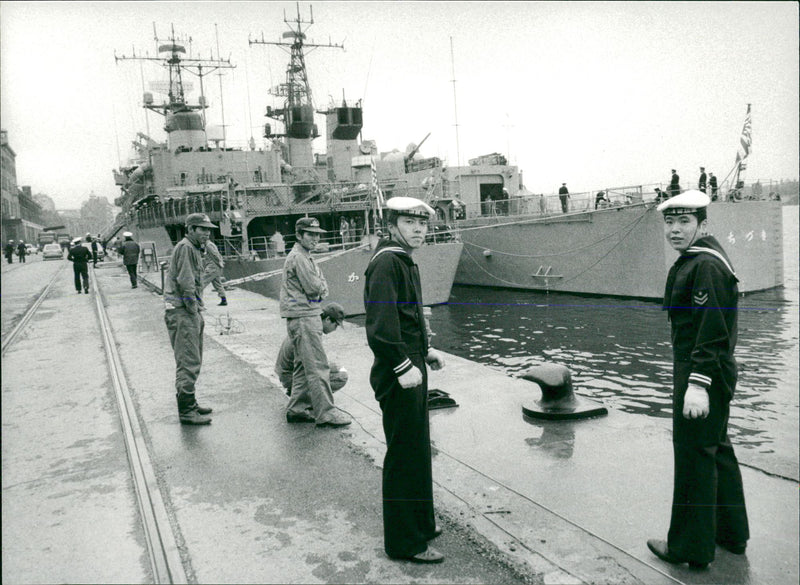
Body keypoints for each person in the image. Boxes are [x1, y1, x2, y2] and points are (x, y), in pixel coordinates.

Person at [647, 190, 749, 570]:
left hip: (700, 371)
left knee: (694, 456)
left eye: (684, 222)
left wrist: (698, 384)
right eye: (669, 222)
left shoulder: (704, 266)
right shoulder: (702, 258)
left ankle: (690, 548)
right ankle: (731, 534)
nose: (674, 230)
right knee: (716, 449)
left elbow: (713, 330)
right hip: (712, 370)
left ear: (702, 225)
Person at [364, 196, 447, 564]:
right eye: (410, 222)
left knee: (418, 451)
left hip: (413, 363)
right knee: (403, 456)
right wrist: (403, 366)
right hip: (398, 372)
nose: (419, 229)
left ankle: (422, 524)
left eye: (423, 224)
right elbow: (381, 329)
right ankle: (404, 543)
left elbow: (407, 316)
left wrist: (424, 350)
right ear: (393, 224)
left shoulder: (403, 260)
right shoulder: (387, 263)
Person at [280, 217, 351, 427]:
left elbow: (319, 287)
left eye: (317, 234)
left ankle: (297, 409)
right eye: (310, 234)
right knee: (318, 368)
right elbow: (315, 288)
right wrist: (321, 288)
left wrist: (320, 287)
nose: (315, 238)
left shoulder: (303, 256)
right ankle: (326, 414)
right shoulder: (300, 258)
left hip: (302, 315)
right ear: (299, 235)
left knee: (302, 367)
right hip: (305, 316)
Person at [163, 213, 218, 425]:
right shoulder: (186, 248)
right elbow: (186, 282)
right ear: (191, 229)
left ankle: (190, 402)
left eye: (208, 229)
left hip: (185, 310)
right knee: (188, 360)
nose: (207, 233)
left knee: (192, 358)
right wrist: (193, 309)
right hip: (183, 311)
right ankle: (186, 411)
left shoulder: (191, 247)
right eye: (202, 229)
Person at [275, 302, 348, 396]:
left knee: (330, 368)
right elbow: (312, 364)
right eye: (336, 325)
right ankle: (305, 396)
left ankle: (299, 392)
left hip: (287, 372)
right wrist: (329, 367)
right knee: (341, 376)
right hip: (291, 376)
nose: (335, 329)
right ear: (328, 319)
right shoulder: (312, 332)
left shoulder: (310, 324)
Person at [202, 238, 227, 306]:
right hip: (215, 267)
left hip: (212, 267)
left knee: (201, 283)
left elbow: (215, 255)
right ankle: (224, 300)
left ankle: (198, 302)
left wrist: (219, 263)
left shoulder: (208, 245)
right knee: (218, 284)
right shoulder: (210, 244)